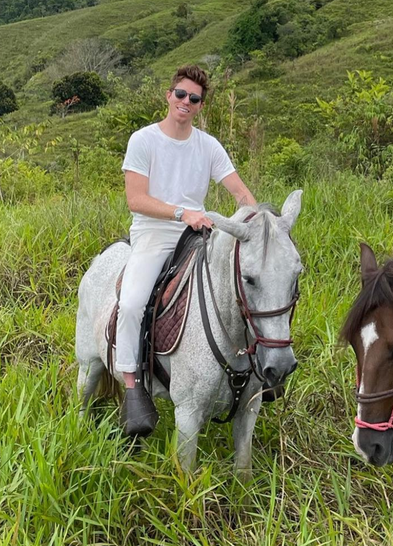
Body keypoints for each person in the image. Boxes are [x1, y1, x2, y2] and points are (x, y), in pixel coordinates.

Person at [117, 65, 256, 433]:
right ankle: (132, 387)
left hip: (199, 232)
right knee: (131, 302)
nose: (186, 102)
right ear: (169, 95)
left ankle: (256, 372)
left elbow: (240, 192)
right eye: (181, 94)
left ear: (200, 106)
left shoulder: (208, 145)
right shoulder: (144, 140)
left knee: (243, 288)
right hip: (155, 232)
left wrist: (258, 225)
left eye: (194, 99)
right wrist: (182, 212)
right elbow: (136, 199)